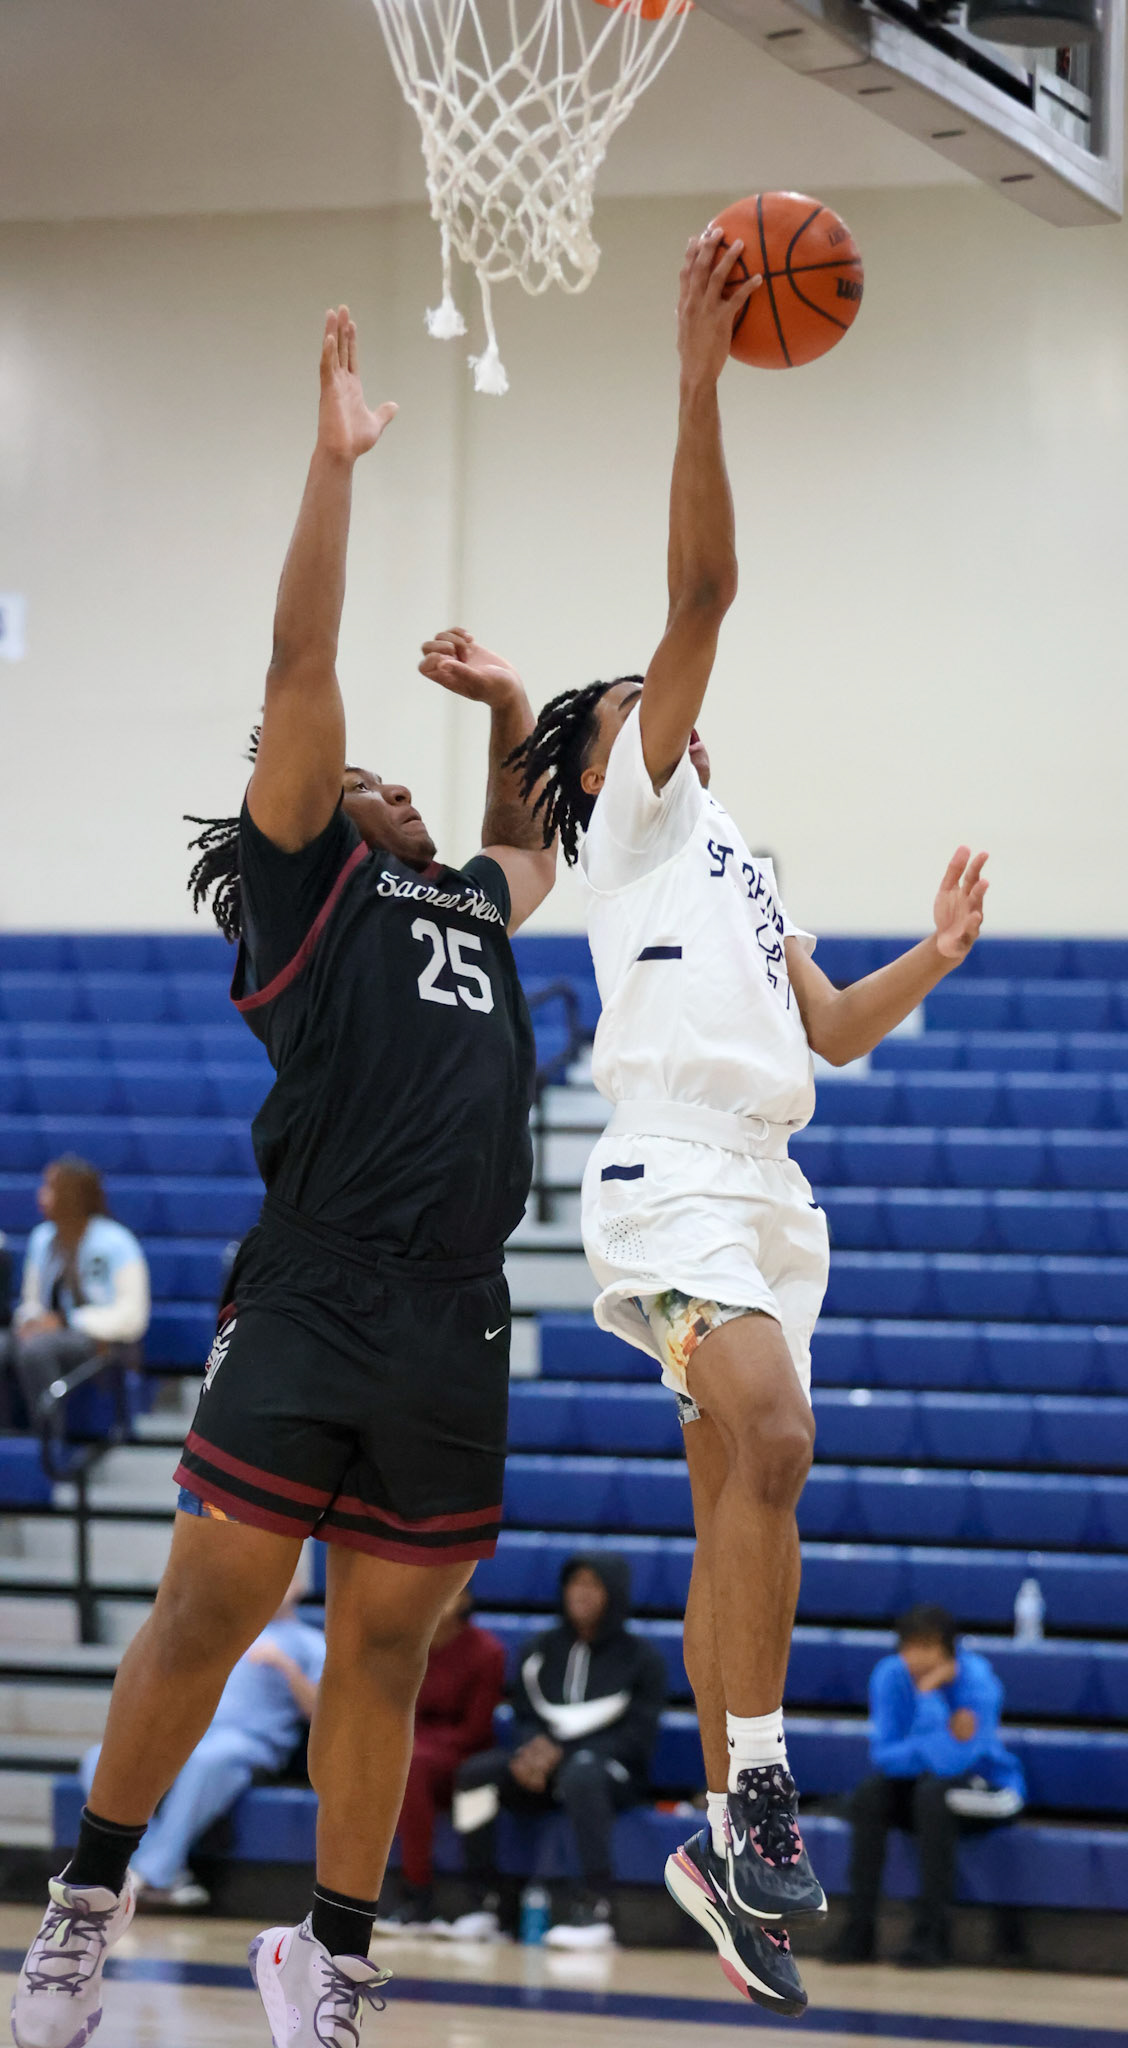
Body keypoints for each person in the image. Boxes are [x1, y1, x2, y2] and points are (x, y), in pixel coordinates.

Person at [11, 306, 556, 2048]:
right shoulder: (310, 897)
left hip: (456, 1311)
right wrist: (330, 469)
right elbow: (302, 661)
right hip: (318, 1283)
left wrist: (512, 708)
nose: (383, 783)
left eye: (401, 784)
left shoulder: (463, 898)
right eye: (356, 778)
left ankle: (332, 1956)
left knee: (386, 1645)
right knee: (215, 1602)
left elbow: (533, 839)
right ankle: (85, 1914)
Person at [505, 230, 988, 2019]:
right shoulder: (627, 810)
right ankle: (766, 1786)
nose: (666, 700)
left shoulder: (734, 847)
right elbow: (701, 601)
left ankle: (716, 1823)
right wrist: (700, 384)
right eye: (631, 701)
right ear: (600, 758)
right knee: (774, 1436)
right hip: (664, 1176)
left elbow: (837, 1029)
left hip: (771, 1184)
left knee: (739, 1490)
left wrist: (929, 956)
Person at [78, 1555, 325, 1910]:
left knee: (211, 1759)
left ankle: (149, 1876)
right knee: (99, 1757)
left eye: (283, 1579)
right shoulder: (223, 1634)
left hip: (249, 1742)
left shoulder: (309, 1642)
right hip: (189, 1736)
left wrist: (287, 1669)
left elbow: (321, 1712)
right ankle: (150, 1873)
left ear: (300, 1586)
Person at [451, 1552, 666, 1951]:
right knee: (474, 1776)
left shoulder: (642, 1659)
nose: (581, 1594)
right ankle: (485, 1904)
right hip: (542, 1770)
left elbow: (638, 1735)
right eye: (575, 1584)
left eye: (592, 1585)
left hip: (612, 1773)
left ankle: (595, 1909)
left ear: (614, 1594)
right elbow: (525, 1715)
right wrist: (531, 1751)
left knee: (582, 1775)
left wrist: (563, 1753)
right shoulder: (539, 1650)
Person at [829, 1604, 1025, 1968]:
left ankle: (933, 1935)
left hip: (992, 1792)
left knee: (934, 1796)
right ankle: (858, 1931)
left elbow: (955, 1764)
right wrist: (938, 1739)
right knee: (870, 1796)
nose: (915, 1658)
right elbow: (884, 1756)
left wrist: (928, 1696)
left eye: (927, 1647)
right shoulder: (889, 1676)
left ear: (949, 1650)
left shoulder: (979, 1685)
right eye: (908, 1647)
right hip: (925, 1789)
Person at [376, 1586, 505, 1934]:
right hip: (411, 1750)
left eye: (451, 1588)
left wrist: (413, 1743)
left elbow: (476, 1731)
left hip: (462, 1757)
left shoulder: (487, 1651)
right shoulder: (409, 1645)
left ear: (466, 1599)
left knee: (410, 1764)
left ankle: (418, 1896)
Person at [0, 1157, 150, 1431]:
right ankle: (9, 1439)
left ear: (71, 1196)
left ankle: (49, 1443)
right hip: (51, 1334)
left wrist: (69, 1321)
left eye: (49, 1188)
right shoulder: (42, 1238)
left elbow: (132, 1318)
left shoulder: (117, 1242)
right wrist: (30, 1320)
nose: (41, 1195)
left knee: (37, 1349)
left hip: (102, 1342)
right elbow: (31, 1302)